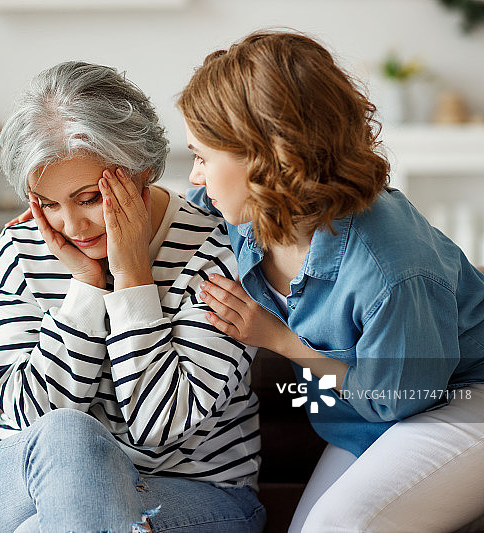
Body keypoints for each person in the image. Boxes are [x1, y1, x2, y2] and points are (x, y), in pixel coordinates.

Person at [179, 30, 484, 532]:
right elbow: (168, 219)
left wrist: (279, 340)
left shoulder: (392, 268)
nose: (194, 176)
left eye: (202, 157)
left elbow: (397, 402)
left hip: (456, 401)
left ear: (263, 159)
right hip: (363, 415)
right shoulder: (243, 209)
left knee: (342, 524)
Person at [0, 61, 266, 533]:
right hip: (22, 482)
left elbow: (159, 425)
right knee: (64, 433)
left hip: (187, 488)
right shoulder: (21, 245)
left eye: (88, 198)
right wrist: (85, 289)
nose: (71, 227)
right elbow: (29, 418)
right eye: (48, 203)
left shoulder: (215, 251)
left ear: (142, 170)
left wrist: (132, 280)